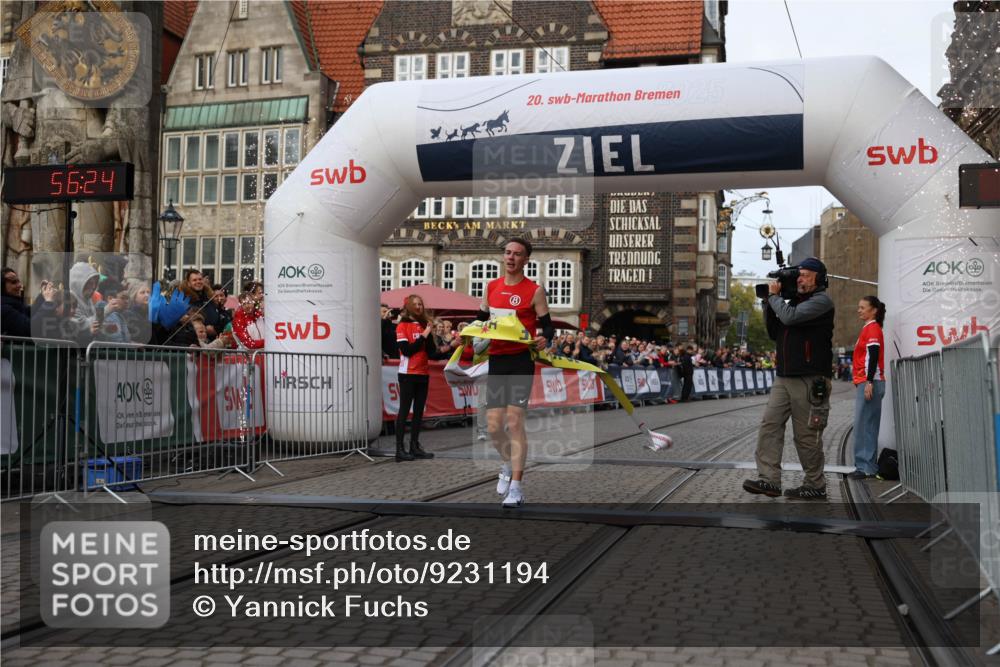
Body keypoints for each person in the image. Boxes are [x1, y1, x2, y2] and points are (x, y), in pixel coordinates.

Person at [744, 257, 835, 500]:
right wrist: (768, 303)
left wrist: (774, 299)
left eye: (804, 275)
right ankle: (769, 480)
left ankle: (815, 484)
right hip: (784, 376)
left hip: (810, 378)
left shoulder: (821, 301)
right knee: (769, 426)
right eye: (798, 275)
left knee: (806, 435)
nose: (799, 279)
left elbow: (791, 318)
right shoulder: (791, 303)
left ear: (818, 277)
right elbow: (775, 331)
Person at [477, 237, 553, 508]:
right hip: (497, 360)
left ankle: (517, 487)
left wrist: (546, 339)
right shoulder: (491, 287)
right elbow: (481, 321)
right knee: (495, 426)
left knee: (515, 422)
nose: (510, 257)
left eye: (517, 254)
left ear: (525, 260)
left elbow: (548, 327)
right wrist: (467, 332)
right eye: (507, 253)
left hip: (521, 362)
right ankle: (507, 465)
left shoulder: (534, 290)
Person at [394, 295, 448, 461]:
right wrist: (424, 335)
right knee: (404, 411)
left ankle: (415, 446)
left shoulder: (425, 325)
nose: (418, 307)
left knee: (419, 412)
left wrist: (451, 347)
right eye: (415, 304)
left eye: (420, 304)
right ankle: (400, 450)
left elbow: (431, 353)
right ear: (408, 306)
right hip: (407, 374)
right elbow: (407, 350)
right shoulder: (402, 326)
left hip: (423, 374)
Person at [849, 296, 887, 480]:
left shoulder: (872, 329)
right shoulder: (870, 328)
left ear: (874, 310)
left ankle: (864, 467)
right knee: (868, 425)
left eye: (863, 307)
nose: (859, 310)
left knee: (864, 425)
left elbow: (873, 354)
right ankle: (867, 467)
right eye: (859, 307)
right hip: (869, 381)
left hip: (869, 382)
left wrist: (870, 381)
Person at [1, 268, 31, 337]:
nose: (19, 285)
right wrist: (47, 304)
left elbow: (31, 311)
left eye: (18, 281)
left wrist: (43, 297)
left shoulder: (16, 304)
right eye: (13, 282)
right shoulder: (4, 309)